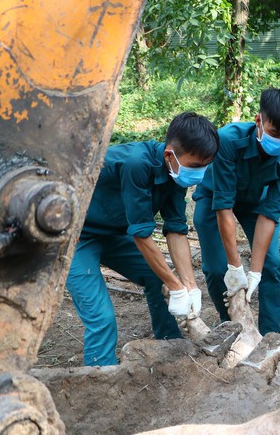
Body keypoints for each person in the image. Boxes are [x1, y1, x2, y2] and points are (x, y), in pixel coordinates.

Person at [66, 112, 219, 366]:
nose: (199, 173)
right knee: (101, 318)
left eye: (205, 166)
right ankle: (99, 379)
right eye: (195, 166)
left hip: (113, 234)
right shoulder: (136, 164)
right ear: (170, 155)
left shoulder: (175, 174)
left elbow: (176, 229)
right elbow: (141, 235)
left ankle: (171, 346)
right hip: (76, 237)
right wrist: (176, 286)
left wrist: (189, 286)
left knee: (157, 277)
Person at [193, 88, 280, 335]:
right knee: (216, 269)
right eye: (276, 133)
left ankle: (271, 335)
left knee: (271, 265)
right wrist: (235, 267)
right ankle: (231, 327)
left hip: (255, 203)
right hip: (215, 197)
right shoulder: (228, 141)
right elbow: (224, 207)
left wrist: (253, 271)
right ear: (259, 121)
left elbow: (269, 215)